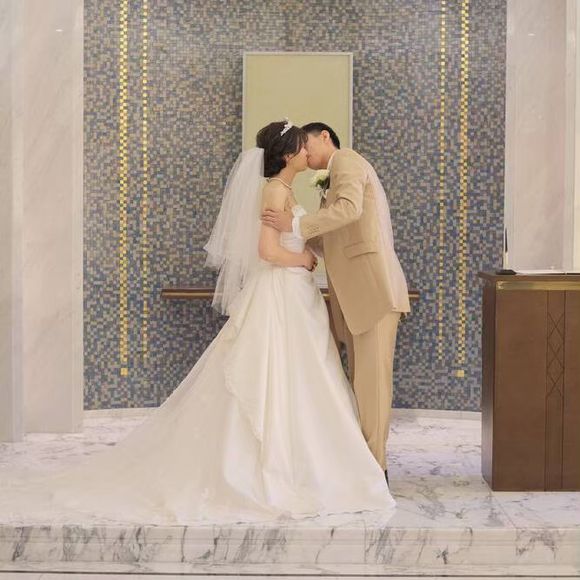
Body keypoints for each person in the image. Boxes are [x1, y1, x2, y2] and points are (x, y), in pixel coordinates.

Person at [0, 120, 395, 526]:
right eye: (301, 147)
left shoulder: (290, 189)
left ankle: (311, 460)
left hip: (296, 294)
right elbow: (267, 251)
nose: (307, 153)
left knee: (301, 376)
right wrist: (304, 259)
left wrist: (305, 248)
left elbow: (311, 230)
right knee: (275, 374)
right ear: (288, 154)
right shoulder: (275, 190)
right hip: (282, 291)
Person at [261, 122, 411, 484]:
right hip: (355, 295)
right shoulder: (324, 179)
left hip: (373, 291)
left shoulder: (346, 160)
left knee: (373, 385)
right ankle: (363, 462)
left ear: (324, 137)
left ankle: (376, 469)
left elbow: (349, 209)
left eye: (307, 143)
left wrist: (297, 226)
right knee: (361, 383)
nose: (304, 151)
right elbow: (331, 239)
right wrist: (297, 236)